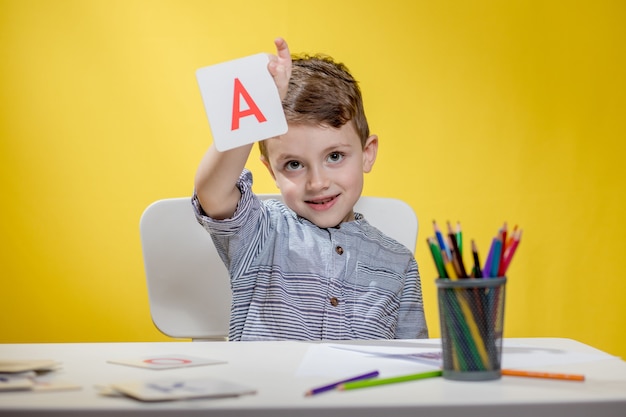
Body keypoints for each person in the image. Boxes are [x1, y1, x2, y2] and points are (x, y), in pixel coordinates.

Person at [192, 38, 428, 341]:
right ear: (271, 171)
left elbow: (413, 361)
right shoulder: (259, 232)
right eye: (293, 165)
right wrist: (256, 103)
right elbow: (212, 193)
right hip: (269, 388)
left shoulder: (399, 263)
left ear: (367, 153)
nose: (317, 183)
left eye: (334, 157)